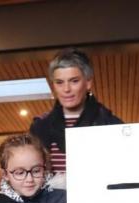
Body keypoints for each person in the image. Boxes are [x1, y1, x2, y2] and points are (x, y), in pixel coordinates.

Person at [29, 48, 121, 178]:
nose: (66, 89)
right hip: (52, 198)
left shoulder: (111, 124)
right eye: (59, 82)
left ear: (88, 82)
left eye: (74, 81)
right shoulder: (40, 126)